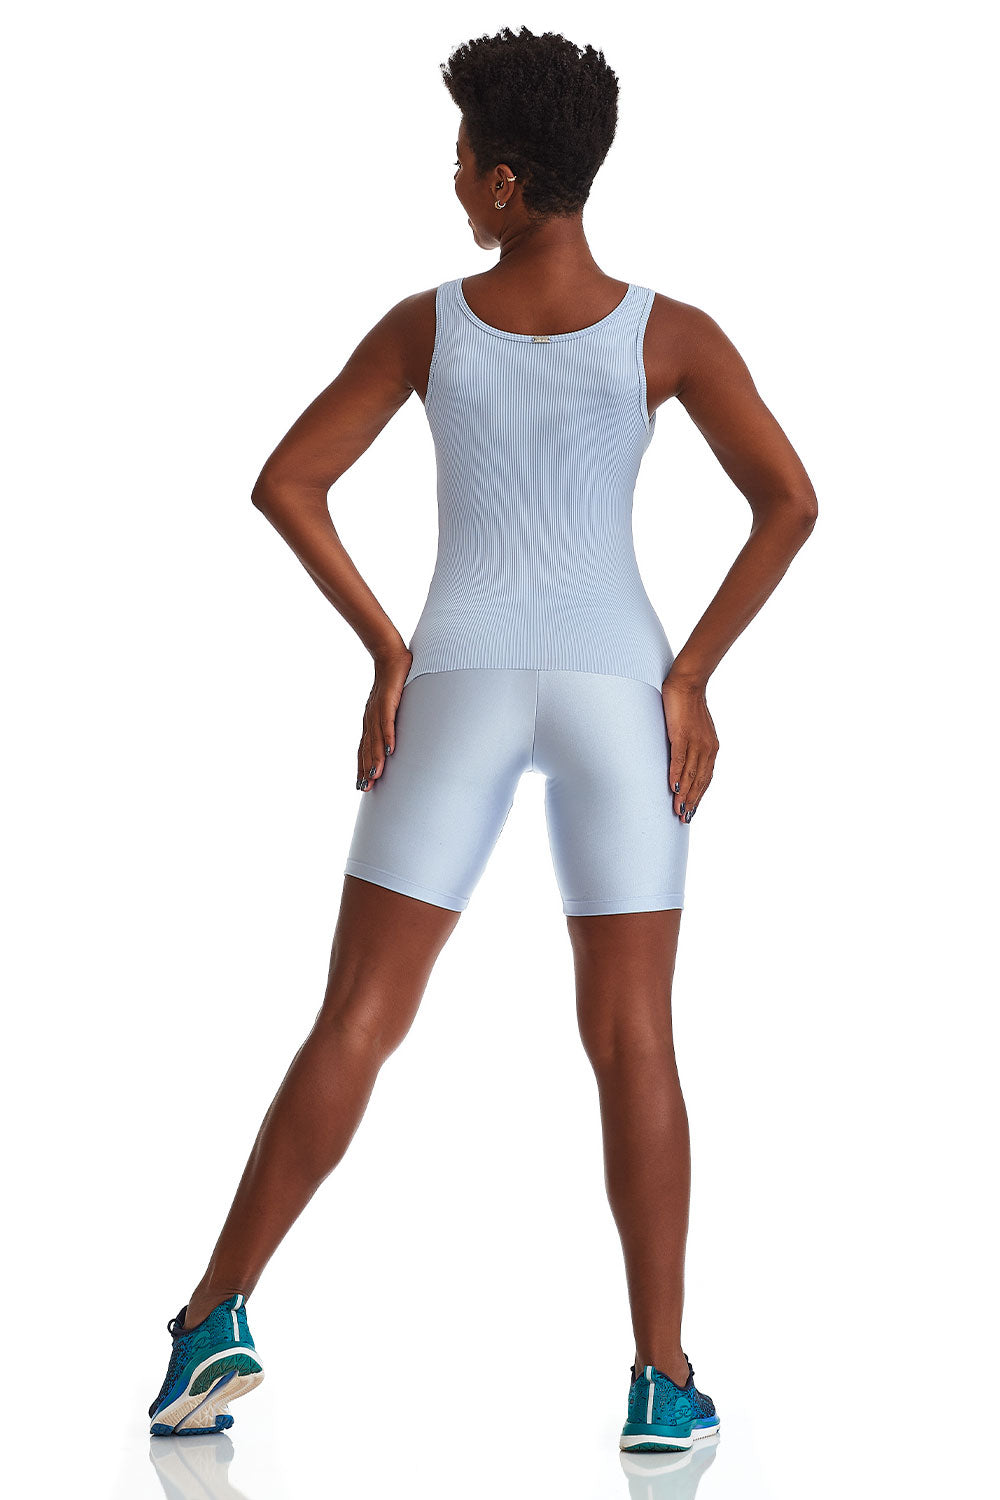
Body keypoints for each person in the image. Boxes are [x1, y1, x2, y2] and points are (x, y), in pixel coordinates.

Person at [148, 25, 817, 1453]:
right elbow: (791, 503)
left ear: (509, 181)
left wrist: (388, 648)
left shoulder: (426, 326)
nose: (452, 180)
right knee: (635, 1038)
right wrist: (693, 674)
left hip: (453, 677)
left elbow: (287, 482)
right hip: (621, 691)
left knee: (358, 1016)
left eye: (462, 160)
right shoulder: (672, 335)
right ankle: (661, 1380)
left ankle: (211, 1317)